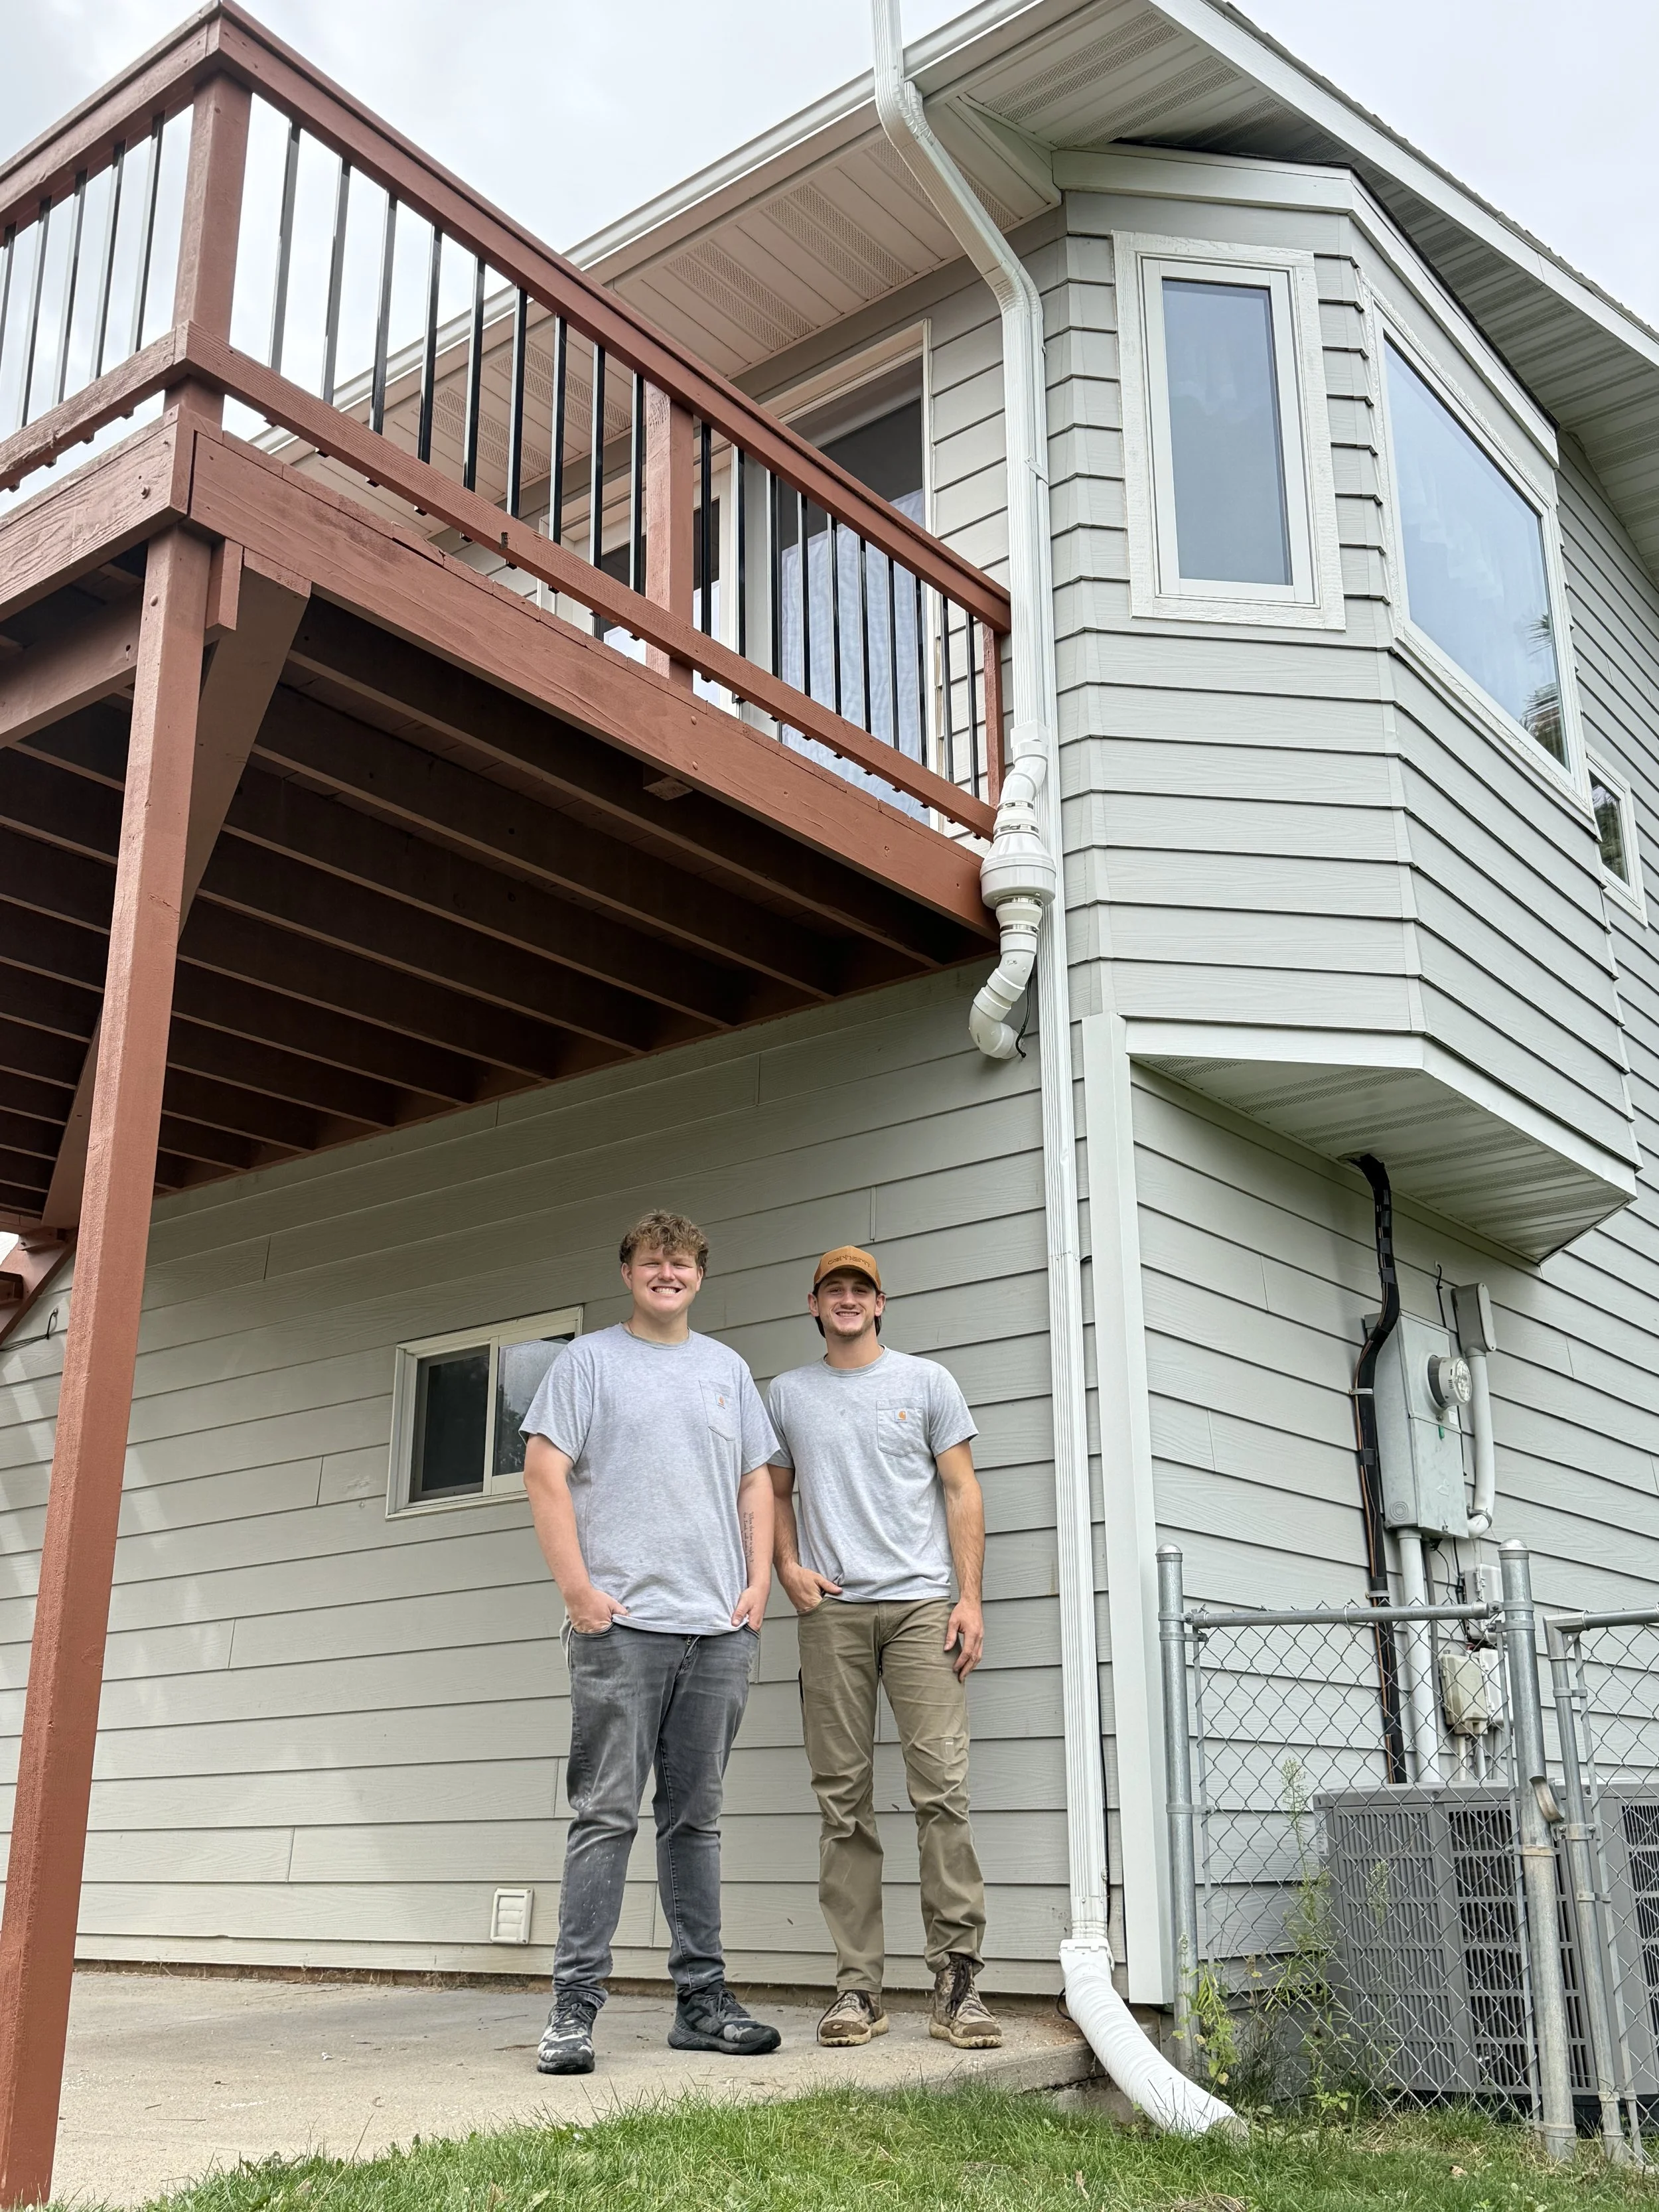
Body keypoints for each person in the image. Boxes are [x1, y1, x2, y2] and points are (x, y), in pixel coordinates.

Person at [520, 1209, 783, 2075]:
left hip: (717, 1632)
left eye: (681, 1263)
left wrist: (755, 1587)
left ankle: (701, 2004)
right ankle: (574, 2009)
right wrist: (579, 1593)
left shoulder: (726, 1369)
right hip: (620, 1630)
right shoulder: (589, 1361)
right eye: (651, 1261)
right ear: (628, 1272)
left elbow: (756, 1476)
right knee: (604, 1814)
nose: (667, 1273)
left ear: (699, 1276)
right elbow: (544, 1469)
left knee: (694, 1820)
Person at [768, 1244, 1003, 2052]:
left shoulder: (927, 1383)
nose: (846, 1299)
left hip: (919, 1610)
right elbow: (775, 1491)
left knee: (941, 1789)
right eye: (833, 1288)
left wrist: (968, 1598)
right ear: (813, 1303)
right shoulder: (788, 1394)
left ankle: (958, 1983)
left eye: (859, 1289)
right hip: (830, 1613)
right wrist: (785, 1568)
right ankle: (857, 1990)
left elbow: (962, 1488)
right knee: (843, 1802)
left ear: (880, 1303)